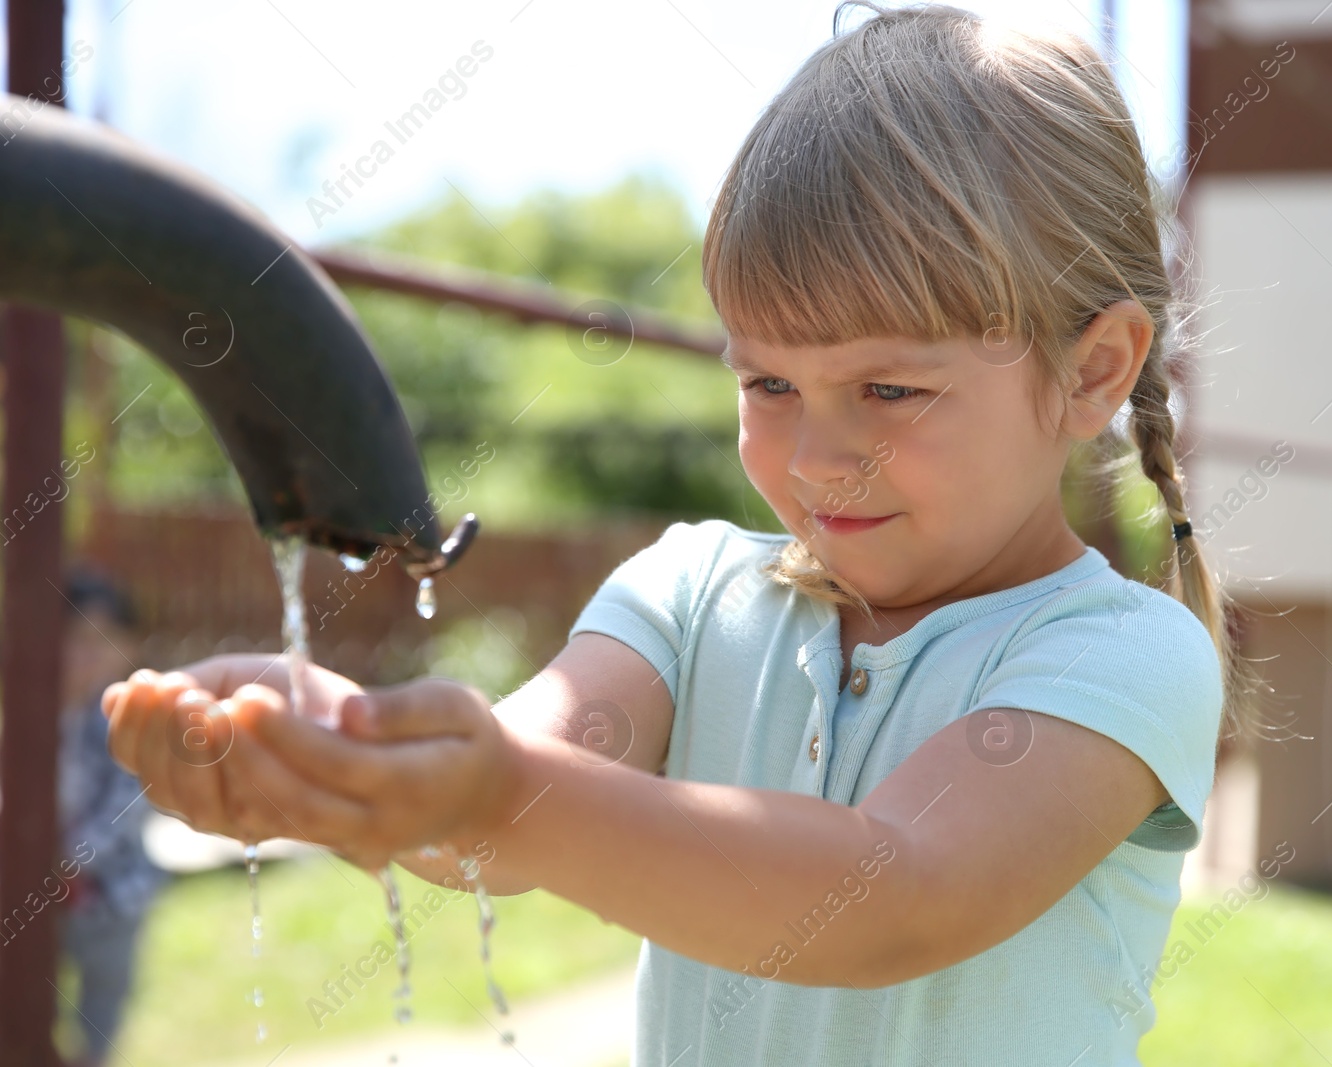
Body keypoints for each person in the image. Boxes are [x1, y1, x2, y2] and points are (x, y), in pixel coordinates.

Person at [101, 4, 1258, 1064]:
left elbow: (895, 894)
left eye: (890, 392)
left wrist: (495, 792)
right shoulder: (694, 594)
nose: (812, 456)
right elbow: (499, 817)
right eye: (767, 383)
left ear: (1093, 370)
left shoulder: (1121, 653)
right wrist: (340, 746)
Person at [58, 568, 167, 1067]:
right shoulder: (32, 715)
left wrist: (68, 862)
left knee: (103, 1001)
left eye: (104, 643)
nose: (88, 657)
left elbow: (124, 806)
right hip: (41, 896)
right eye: (76, 641)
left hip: (114, 892)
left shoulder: (127, 724)